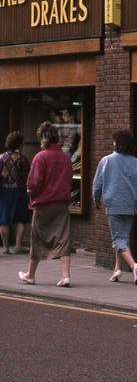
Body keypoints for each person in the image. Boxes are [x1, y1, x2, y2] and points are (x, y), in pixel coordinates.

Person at [18, 122, 73, 287]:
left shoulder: (40, 157)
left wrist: (31, 196)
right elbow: (69, 180)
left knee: (37, 239)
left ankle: (30, 275)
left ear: (44, 138)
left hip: (43, 204)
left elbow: (33, 183)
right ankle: (65, 276)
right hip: (61, 204)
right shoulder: (65, 157)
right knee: (63, 239)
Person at [92, 130, 137, 285]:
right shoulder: (136, 162)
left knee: (118, 240)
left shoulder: (107, 161)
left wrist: (96, 199)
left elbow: (97, 184)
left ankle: (133, 266)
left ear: (117, 143)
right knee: (122, 238)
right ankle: (117, 270)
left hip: (114, 204)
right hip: (130, 205)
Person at [0, 132, 31, 254]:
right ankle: (18, 246)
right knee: (20, 218)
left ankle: (6, 247)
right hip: (19, 191)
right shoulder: (23, 159)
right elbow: (28, 175)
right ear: (19, 143)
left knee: (4, 219)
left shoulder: (1, 158)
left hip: (4, 191)